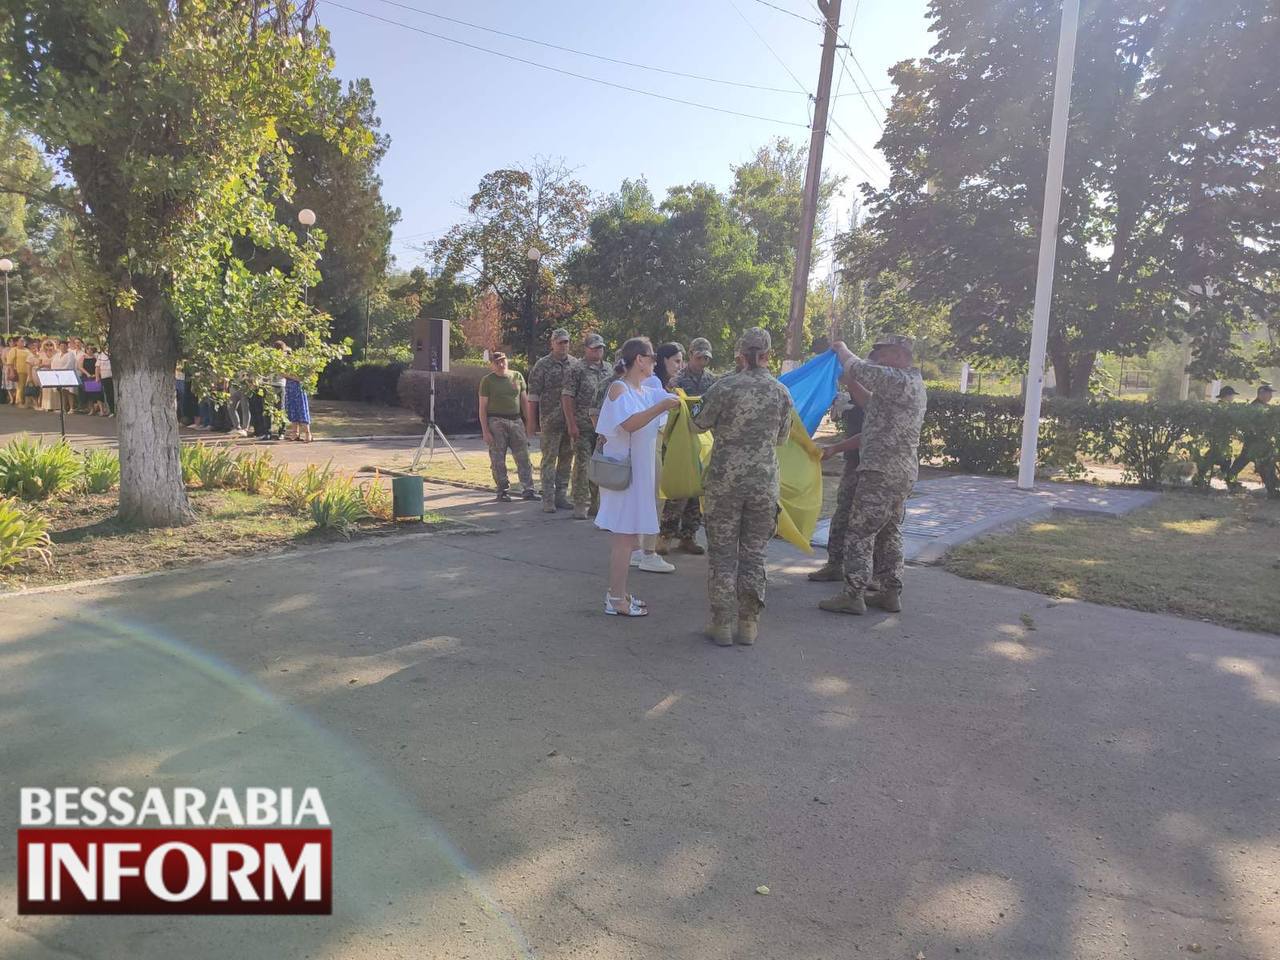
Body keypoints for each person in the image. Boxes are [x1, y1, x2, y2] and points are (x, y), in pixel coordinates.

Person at [691, 328, 794, 646]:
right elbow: (781, 439)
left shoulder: (724, 387)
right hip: (764, 485)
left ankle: (721, 624)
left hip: (725, 483)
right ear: (768, 355)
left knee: (722, 556)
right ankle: (748, 624)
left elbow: (697, 422)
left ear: (739, 354)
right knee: (754, 555)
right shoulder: (781, 393)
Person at [818, 335, 928, 617]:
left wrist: (842, 349)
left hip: (881, 471)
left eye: (883, 354)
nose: (877, 358)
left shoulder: (899, 379)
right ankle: (890, 592)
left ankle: (853, 594)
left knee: (860, 531)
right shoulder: (906, 384)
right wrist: (850, 382)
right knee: (889, 530)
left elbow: (859, 368)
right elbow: (869, 402)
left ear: (900, 354)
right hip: (899, 472)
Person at [593, 337, 682, 616]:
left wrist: (670, 401)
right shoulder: (620, 389)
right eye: (652, 356)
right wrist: (662, 406)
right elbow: (630, 424)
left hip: (637, 476)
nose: (655, 361)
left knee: (629, 539)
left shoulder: (643, 389)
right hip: (624, 476)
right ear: (639, 360)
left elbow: (666, 400)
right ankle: (615, 599)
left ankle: (619, 593)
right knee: (624, 539)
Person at [808, 362, 872, 582]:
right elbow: (837, 418)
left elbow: (866, 436)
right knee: (843, 515)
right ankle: (836, 564)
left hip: (870, 467)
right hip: (855, 464)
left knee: (864, 523)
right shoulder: (855, 397)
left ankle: (861, 580)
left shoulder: (880, 400)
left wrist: (835, 448)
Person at [660, 336, 718, 555]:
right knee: (679, 489)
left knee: (696, 490)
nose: (702, 361)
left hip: (703, 440)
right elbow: (667, 406)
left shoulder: (713, 380)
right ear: (691, 356)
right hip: (680, 440)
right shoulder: (677, 380)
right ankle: (665, 536)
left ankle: (688, 537)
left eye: (706, 358)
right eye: (699, 356)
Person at [527, 328, 576, 513]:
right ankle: (548, 498)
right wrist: (531, 423)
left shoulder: (575, 364)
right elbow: (533, 396)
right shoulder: (542, 365)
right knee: (549, 460)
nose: (564, 345)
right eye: (560, 342)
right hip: (550, 420)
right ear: (552, 343)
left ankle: (561, 495)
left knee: (566, 459)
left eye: (566, 342)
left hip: (570, 421)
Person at [562, 333, 610, 519]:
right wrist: (571, 423)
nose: (598, 351)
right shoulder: (577, 369)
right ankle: (580, 502)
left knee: (601, 465)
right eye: (594, 348)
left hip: (603, 426)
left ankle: (597, 504)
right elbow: (567, 397)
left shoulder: (609, 369)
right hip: (582, 425)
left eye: (600, 347)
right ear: (586, 349)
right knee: (583, 465)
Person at [479, 351, 536, 502]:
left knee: (523, 456)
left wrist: (529, 422)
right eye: (497, 362)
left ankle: (528, 489)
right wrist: (485, 431)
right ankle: (502, 490)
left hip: (516, 421)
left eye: (503, 361)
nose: (501, 364)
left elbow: (524, 401)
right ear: (492, 365)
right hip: (496, 421)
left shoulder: (517, 376)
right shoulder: (487, 381)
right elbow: (482, 407)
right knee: (498, 459)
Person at [1227, 382, 1277, 495]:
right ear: (1261, 394)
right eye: (1269, 394)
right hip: (1254, 441)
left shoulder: (1266, 407)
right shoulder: (1254, 407)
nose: (1270, 396)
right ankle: (1230, 480)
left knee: (1263, 463)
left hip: (1262, 442)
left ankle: (1271, 487)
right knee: (1248, 461)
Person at [78, 344, 108, 417]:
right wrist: (87, 374)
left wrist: (96, 374)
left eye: (91, 349)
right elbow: (80, 367)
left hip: (95, 377)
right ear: (86, 350)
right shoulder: (83, 357)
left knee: (97, 394)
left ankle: (101, 410)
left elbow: (98, 367)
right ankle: (91, 410)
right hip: (86, 377)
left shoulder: (96, 357)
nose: (90, 350)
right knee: (89, 394)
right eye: (88, 349)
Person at [14, 336, 35, 408]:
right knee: (21, 386)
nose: (23, 342)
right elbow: (9, 362)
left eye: (23, 341)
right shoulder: (14, 350)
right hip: (20, 370)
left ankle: (27, 401)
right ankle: (19, 401)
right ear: (17, 342)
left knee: (27, 386)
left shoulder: (27, 350)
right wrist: (11, 370)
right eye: (21, 341)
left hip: (29, 371)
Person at [97, 347, 115, 416]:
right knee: (108, 395)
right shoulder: (101, 355)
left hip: (113, 377)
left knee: (114, 394)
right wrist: (97, 377)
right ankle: (112, 411)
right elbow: (97, 367)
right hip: (105, 377)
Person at [2, 337, 17, 405]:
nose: (12, 343)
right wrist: (8, 365)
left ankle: (15, 397)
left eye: (13, 341)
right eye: (10, 341)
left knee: (15, 384)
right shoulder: (5, 349)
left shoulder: (17, 349)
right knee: (8, 384)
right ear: (8, 342)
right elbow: (3, 359)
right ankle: (11, 399)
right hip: (7, 368)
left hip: (16, 368)